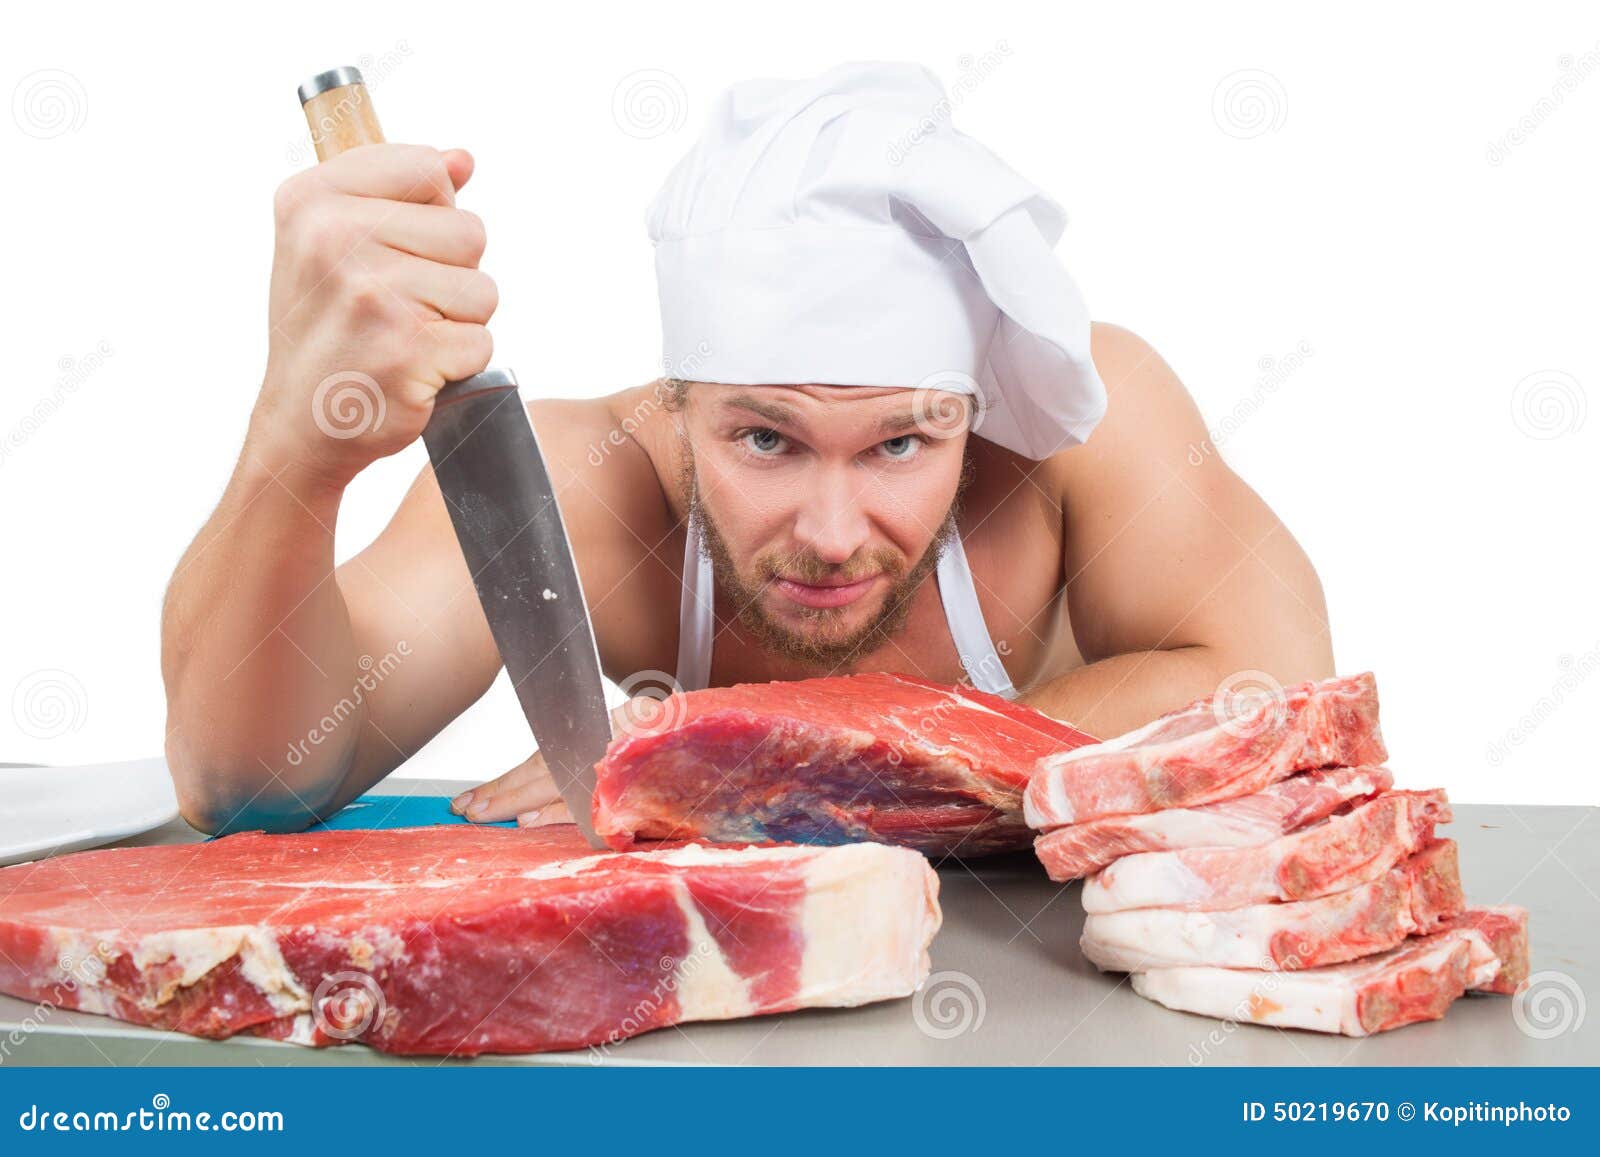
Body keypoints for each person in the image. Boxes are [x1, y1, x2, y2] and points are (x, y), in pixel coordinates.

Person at [161, 63, 1331, 834]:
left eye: (899, 444)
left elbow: (1274, 686)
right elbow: (251, 779)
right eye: (765, 437)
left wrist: (774, 756)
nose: (831, 533)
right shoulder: (582, 488)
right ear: (677, 404)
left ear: (971, 413)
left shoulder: (1085, 423)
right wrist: (292, 453)